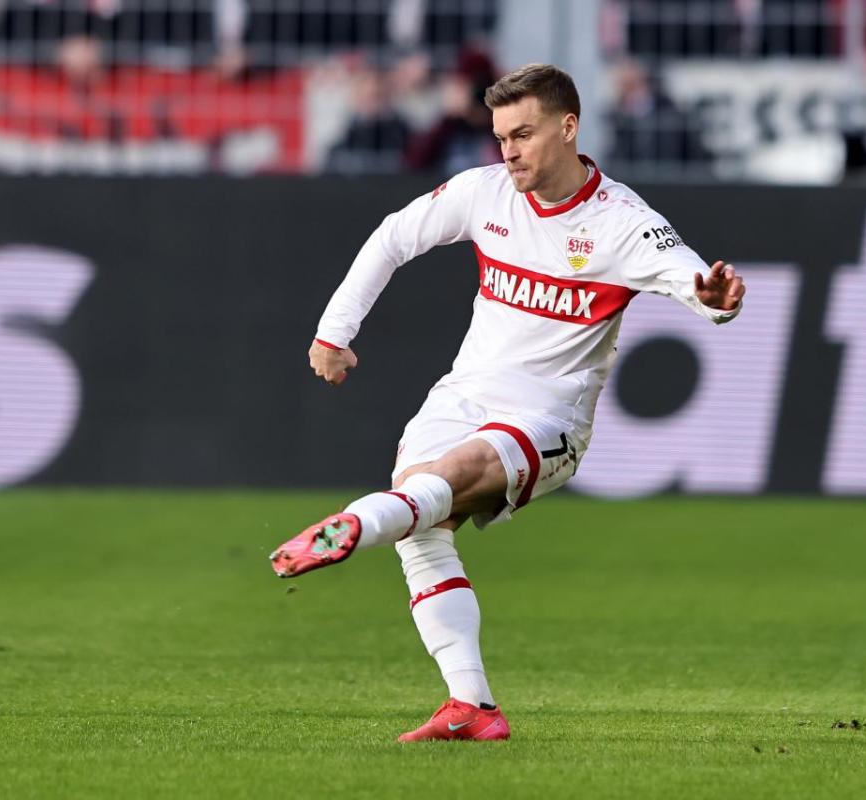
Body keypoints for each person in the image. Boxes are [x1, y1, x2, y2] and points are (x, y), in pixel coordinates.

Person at [268, 63, 746, 742]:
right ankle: (472, 706)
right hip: (463, 395)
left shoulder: (622, 224)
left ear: (568, 127)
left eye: (523, 134)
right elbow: (394, 236)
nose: (509, 151)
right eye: (500, 137)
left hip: (548, 419)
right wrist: (333, 333)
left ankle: (354, 524)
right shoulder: (485, 192)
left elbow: (693, 282)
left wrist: (717, 302)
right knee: (422, 527)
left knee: (445, 480)